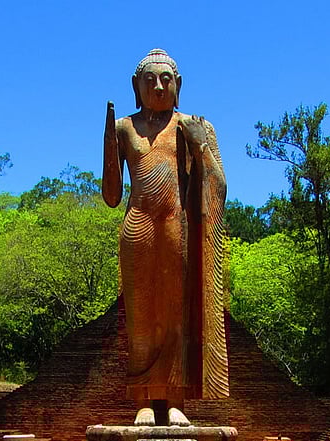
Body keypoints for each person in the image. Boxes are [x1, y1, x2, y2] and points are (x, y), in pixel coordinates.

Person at [101, 48, 228, 427]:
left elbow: (219, 185)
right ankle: (143, 398)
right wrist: (109, 142)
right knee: (140, 318)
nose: (158, 86)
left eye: (166, 79)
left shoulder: (194, 125)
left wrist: (199, 145)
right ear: (135, 86)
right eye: (149, 79)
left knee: (175, 317)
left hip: (177, 224)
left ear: (179, 85)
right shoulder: (125, 128)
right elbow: (111, 196)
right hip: (138, 226)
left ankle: (174, 400)